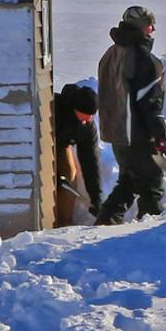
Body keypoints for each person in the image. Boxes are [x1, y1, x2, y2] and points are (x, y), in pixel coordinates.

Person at [95, 5, 166, 225]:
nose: (153, 29)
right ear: (141, 28)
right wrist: (160, 135)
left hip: (117, 132)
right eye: (150, 25)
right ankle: (150, 234)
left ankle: (104, 223)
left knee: (128, 182)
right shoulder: (142, 58)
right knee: (151, 186)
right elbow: (150, 103)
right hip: (135, 132)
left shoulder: (112, 52)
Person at [51, 83, 101, 226]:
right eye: (84, 117)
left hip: (63, 145)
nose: (86, 121)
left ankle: (63, 223)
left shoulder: (87, 127)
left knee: (69, 175)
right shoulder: (56, 107)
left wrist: (95, 197)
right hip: (44, 143)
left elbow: (90, 160)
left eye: (90, 118)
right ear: (74, 109)